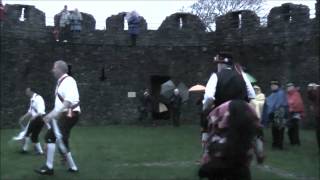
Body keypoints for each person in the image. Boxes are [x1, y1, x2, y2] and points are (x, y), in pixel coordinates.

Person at [198, 100, 264, 180]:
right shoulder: (249, 109)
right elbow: (257, 133)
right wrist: (259, 153)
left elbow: (210, 133)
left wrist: (206, 157)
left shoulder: (219, 109)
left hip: (219, 161)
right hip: (240, 161)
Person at [35, 60, 80, 175]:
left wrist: (54, 115)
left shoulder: (69, 81)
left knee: (51, 136)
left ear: (60, 69)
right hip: (66, 113)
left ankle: (49, 167)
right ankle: (72, 167)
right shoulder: (60, 84)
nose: (52, 70)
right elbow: (59, 106)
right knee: (61, 139)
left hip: (70, 113)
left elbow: (68, 102)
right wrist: (50, 116)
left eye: (54, 68)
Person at [14, 88, 45, 154]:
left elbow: (41, 111)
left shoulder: (38, 98)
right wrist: (23, 117)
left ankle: (25, 150)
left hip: (39, 118)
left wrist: (34, 117)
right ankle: (40, 152)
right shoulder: (32, 99)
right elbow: (30, 111)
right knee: (34, 136)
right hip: (37, 119)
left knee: (27, 134)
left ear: (31, 91)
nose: (26, 93)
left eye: (27, 91)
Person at [262, 80, 288, 150]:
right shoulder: (272, 94)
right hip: (273, 114)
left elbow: (279, 104)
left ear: (278, 86)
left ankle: (279, 145)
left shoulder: (281, 93)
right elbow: (269, 102)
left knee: (279, 130)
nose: (272, 86)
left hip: (280, 114)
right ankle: (275, 144)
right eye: (271, 85)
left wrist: (273, 110)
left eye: (274, 85)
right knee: (274, 130)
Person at [307, 83, 320, 151]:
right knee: (318, 132)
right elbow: (312, 98)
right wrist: (310, 91)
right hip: (318, 115)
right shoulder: (317, 89)